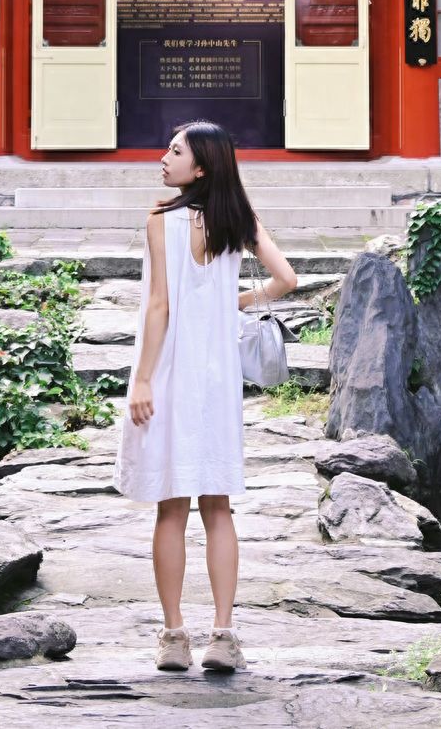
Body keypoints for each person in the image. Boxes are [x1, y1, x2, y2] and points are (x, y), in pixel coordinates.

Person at [113, 119, 297, 674]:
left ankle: (174, 637)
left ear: (201, 167)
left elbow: (159, 308)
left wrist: (142, 379)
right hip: (217, 380)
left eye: (174, 152)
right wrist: (233, 301)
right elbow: (286, 279)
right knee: (217, 506)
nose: (163, 159)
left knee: (171, 509)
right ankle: (223, 635)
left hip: (170, 371)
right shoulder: (236, 217)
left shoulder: (161, 219)